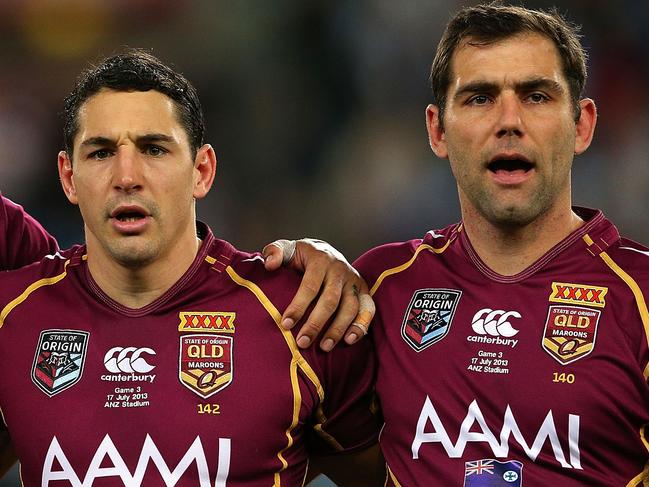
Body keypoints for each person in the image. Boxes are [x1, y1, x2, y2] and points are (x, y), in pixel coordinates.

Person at [266, 3, 649, 485]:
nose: (508, 121)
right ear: (437, 130)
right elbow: (278, 446)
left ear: (582, 125)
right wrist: (302, 257)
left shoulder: (640, 296)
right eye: (479, 98)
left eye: (535, 96)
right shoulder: (380, 287)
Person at [0, 49, 383, 486]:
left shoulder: (300, 312)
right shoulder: (13, 316)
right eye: (101, 152)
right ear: (68, 177)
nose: (127, 176)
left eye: (154, 148)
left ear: (202, 170)